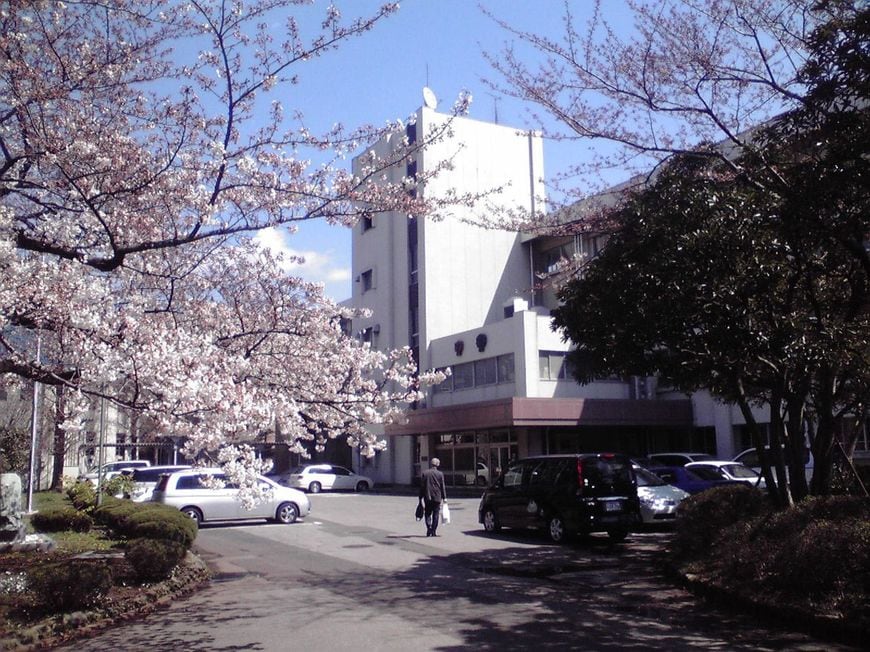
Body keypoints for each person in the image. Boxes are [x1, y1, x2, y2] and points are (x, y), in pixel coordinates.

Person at [418, 457, 447, 537]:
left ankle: (429, 527)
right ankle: (433, 531)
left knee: (427, 513)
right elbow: (442, 486)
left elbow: (422, 486)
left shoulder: (425, 473)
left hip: (428, 497)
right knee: (436, 514)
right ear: (437, 464)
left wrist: (420, 496)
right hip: (437, 497)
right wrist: (444, 498)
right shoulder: (440, 474)